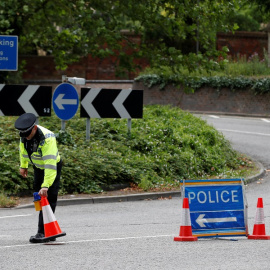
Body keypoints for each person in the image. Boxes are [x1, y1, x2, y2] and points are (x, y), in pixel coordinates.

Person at [14, 113, 62, 243]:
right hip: (38, 167)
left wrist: (46, 185)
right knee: (38, 197)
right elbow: (23, 151)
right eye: (23, 135)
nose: (26, 138)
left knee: (48, 196)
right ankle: (47, 227)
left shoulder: (47, 138)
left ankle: (43, 232)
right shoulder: (25, 135)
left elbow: (50, 165)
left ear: (34, 128)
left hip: (51, 168)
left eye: (28, 134)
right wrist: (23, 166)